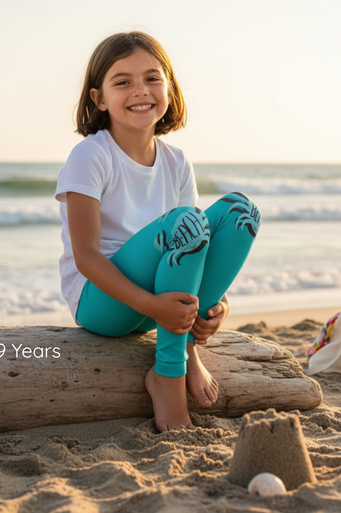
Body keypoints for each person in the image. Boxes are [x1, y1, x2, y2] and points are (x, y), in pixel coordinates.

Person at [55, 31, 261, 432]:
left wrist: (215, 305)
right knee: (185, 223)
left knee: (241, 212)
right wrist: (153, 307)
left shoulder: (177, 161)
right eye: (122, 82)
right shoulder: (90, 156)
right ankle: (168, 376)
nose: (140, 91)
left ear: (169, 87)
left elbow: (199, 246)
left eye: (152, 78)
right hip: (102, 302)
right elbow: (87, 258)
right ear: (98, 98)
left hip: (160, 305)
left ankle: (185, 349)